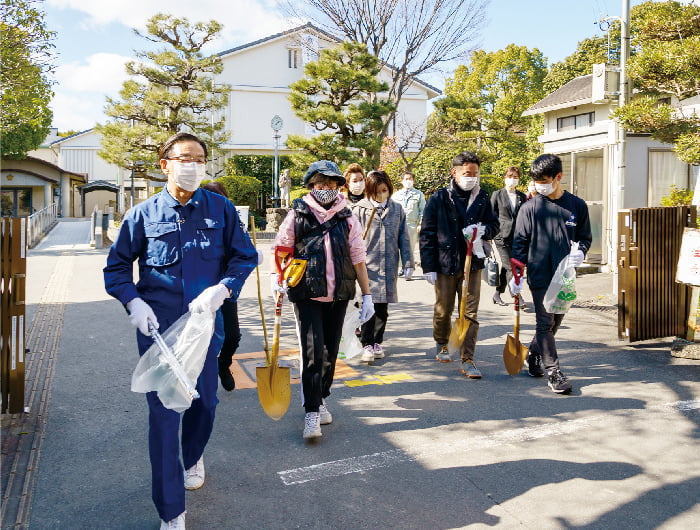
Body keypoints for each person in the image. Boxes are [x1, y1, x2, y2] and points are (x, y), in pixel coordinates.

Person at [104, 132, 257, 529]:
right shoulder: (142, 214)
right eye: (184, 158)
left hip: (205, 328)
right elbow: (116, 268)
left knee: (204, 403)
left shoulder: (220, 209)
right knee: (164, 415)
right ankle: (171, 512)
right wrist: (133, 303)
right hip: (159, 331)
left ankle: (192, 455)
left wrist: (223, 289)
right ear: (165, 164)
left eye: (200, 158)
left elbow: (245, 256)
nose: (192, 165)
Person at [272, 160, 373, 440]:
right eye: (320, 183)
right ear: (311, 186)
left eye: (331, 183)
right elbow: (281, 249)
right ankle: (312, 412)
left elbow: (358, 258)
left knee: (330, 351)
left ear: (338, 187)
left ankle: (322, 395)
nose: (325, 188)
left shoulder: (347, 217)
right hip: (306, 293)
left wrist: (367, 295)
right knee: (313, 351)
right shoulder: (298, 214)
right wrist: (275, 276)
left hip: (339, 294)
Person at [510, 154, 592, 394]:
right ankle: (554, 372)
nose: (539, 186)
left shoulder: (577, 206)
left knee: (555, 322)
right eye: (536, 181)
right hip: (539, 273)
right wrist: (516, 276)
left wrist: (582, 252)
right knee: (544, 323)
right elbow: (519, 244)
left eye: (544, 181)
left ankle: (533, 354)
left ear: (558, 177)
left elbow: (585, 237)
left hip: (565, 275)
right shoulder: (529, 208)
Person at [419, 151, 499, 379]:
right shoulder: (439, 198)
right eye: (467, 173)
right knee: (443, 308)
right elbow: (427, 233)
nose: (471, 177)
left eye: (475, 173)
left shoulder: (483, 197)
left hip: (472, 263)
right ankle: (442, 342)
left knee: (470, 312)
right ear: (455, 173)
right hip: (445, 263)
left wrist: (483, 231)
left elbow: (494, 225)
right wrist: (428, 266)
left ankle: (468, 358)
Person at [351, 170, 413, 363]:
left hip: (388, 265)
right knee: (367, 306)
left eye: (384, 190)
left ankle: (378, 341)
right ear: (369, 191)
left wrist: (408, 262)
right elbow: (351, 240)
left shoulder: (396, 209)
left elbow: (404, 238)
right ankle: (366, 343)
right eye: (376, 191)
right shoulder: (359, 210)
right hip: (366, 266)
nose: (381, 195)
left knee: (382, 307)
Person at [490, 166, 527, 307]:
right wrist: (490, 234)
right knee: (512, 267)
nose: (512, 180)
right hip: (501, 236)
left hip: (517, 236)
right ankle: (516, 295)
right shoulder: (497, 194)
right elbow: (491, 215)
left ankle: (497, 293)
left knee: (506, 267)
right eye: (510, 177)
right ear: (505, 178)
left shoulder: (522, 196)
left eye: (516, 177)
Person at [392, 171, 425, 273]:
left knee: (410, 247)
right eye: (406, 179)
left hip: (412, 224)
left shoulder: (419, 194)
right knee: (398, 246)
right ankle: (402, 267)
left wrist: (420, 224)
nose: (408, 181)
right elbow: (391, 209)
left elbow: (422, 210)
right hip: (398, 224)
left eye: (410, 179)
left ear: (413, 181)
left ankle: (409, 268)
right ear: (402, 181)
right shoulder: (396, 195)